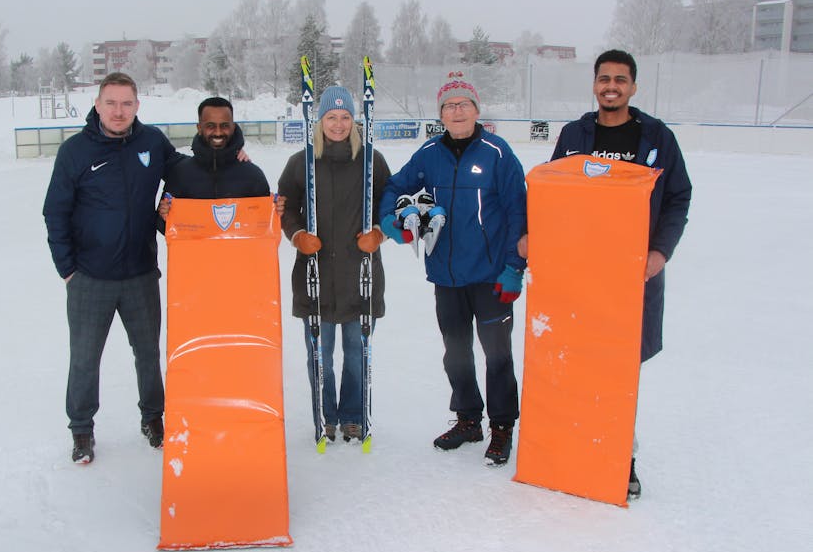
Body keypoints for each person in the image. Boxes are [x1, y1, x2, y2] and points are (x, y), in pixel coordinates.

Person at [525, 49, 692, 497]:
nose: (611, 86)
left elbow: (678, 197)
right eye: (604, 78)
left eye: (620, 79)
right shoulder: (574, 134)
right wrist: (533, 238)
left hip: (630, 280)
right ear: (595, 84)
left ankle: (621, 458)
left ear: (633, 87)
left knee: (619, 371)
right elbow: (551, 191)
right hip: (577, 279)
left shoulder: (657, 137)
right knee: (576, 365)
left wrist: (660, 252)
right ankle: (570, 451)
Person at [379, 72, 527, 465]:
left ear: (477, 110)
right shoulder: (428, 154)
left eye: (464, 104)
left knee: (497, 356)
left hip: (492, 275)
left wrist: (515, 266)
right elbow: (394, 188)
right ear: (440, 114)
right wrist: (394, 222)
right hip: (446, 276)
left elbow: (518, 212)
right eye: (449, 106)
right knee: (456, 353)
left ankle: (501, 427)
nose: (457, 111)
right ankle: (467, 419)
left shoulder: (497, 153)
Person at [43, 72, 181, 464]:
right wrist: (67, 269)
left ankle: (153, 418)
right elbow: (55, 211)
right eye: (111, 103)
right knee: (85, 357)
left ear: (137, 106)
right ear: (98, 104)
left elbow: (188, 174)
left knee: (148, 355)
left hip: (140, 274)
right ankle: (82, 430)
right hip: (90, 278)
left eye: (126, 103)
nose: (119, 111)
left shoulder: (152, 142)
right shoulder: (75, 151)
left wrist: (233, 151)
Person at [277, 85, 390, 443]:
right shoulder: (301, 162)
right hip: (316, 276)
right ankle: (325, 415)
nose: (338, 125)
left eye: (345, 118)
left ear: (354, 121)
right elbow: (286, 208)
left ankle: (354, 415)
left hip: (361, 274)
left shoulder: (372, 160)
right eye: (331, 117)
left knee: (357, 353)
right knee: (320, 355)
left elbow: (389, 207)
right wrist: (296, 235)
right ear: (320, 120)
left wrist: (379, 233)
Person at [156, 96, 270, 229]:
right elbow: (163, 225)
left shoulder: (253, 175)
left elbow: (265, 226)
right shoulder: (181, 174)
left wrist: (275, 210)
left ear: (233, 127)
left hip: (239, 250)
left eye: (224, 126)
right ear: (199, 128)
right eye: (210, 126)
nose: (218, 132)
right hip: (195, 250)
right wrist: (165, 216)